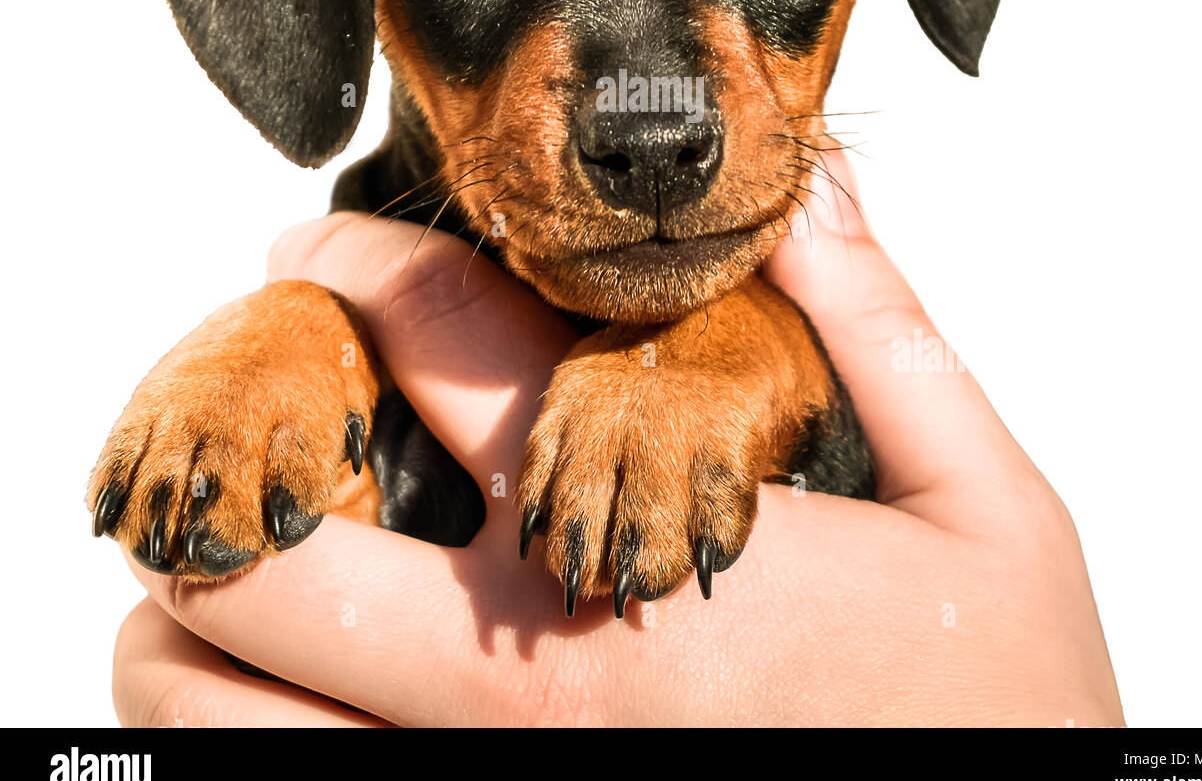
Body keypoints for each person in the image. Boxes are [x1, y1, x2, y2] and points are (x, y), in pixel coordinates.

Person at [110, 149, 1123, 727]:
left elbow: (801, 385)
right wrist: (291, 334)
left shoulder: (785, 321)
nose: (650, 113)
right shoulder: (352, 303)